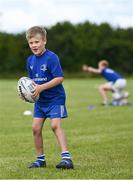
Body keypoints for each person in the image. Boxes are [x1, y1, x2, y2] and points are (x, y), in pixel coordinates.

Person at [25, 26, 74, 169]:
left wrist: (41, 87)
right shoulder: (30, 60)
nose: (34, 45)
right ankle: (40, 160)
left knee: (55, 125)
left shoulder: (52, 57)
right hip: (40, 101)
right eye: (31, 43)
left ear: (44, 41)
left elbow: (59, 78)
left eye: (37, 42)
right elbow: (31, 82)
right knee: (35, 128)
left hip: (55, 98)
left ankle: (67, 159)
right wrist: (28, 93)